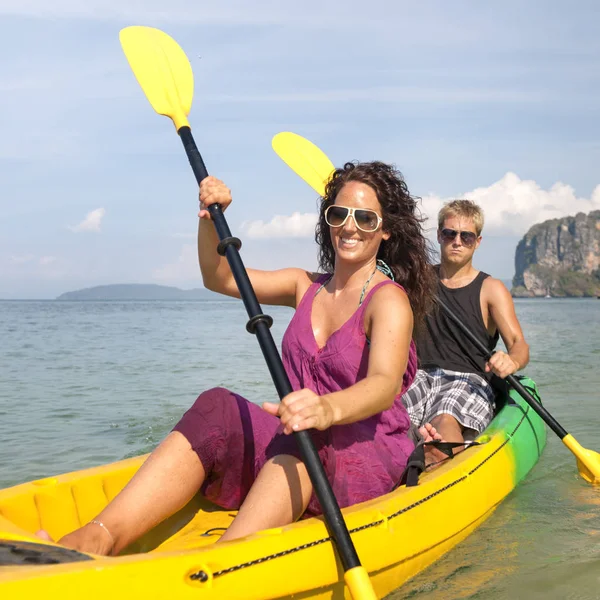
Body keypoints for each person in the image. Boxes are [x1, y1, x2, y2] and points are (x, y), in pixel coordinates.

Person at [38, 161, 436, 556]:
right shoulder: (305, 287)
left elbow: (384, 383)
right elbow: (220, 277)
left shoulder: (388, 300)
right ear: (328, 220)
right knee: (218, 407)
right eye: (339, 214)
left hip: (362, 458)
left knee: (302, 443)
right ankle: (98, 537)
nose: (350, 226)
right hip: (302, 438)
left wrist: (326, 409)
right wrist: (211, 220)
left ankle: (223, 565)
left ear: (385, 230)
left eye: (365, 218)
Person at [402, 199, 530, 457]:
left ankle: (441, 468)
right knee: (387, 420)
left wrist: (512, 362)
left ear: (477, 242)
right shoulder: (417, 280)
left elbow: (518, 344)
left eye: (466, 236)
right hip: (418, 375)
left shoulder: (491, 289)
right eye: (450, 233)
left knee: (444, 421)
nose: (457, 241)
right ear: (439, 235)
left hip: (467, 380)